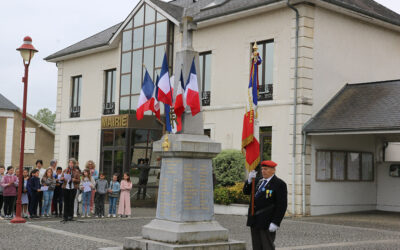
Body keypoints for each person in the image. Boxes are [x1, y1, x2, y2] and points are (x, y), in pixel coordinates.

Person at [243, 160, 287, 250]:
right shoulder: (258, 180)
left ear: (273, 170)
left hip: (267, 221)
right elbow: (246, 192)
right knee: (256, 246)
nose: (263, 171)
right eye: (262, 169)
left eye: (266, 169)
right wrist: (249, 181)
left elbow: (281, 205)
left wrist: (276, 222)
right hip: (254, 219)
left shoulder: (279, 184)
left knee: (267, 246)